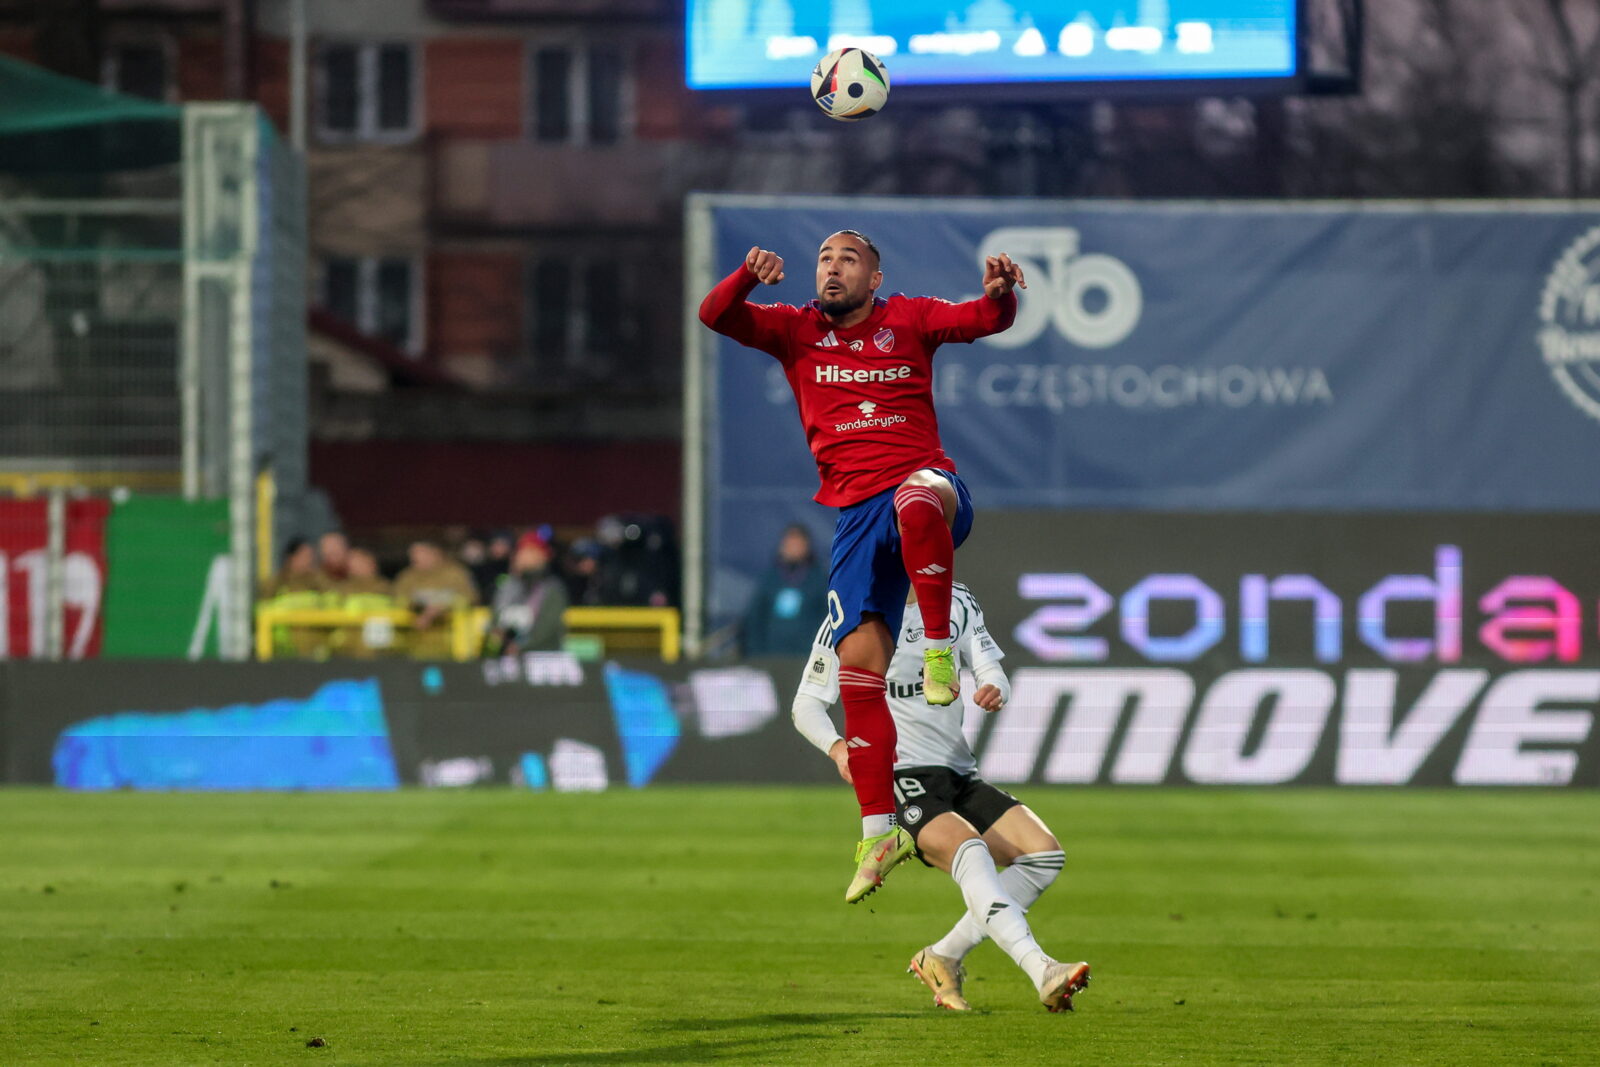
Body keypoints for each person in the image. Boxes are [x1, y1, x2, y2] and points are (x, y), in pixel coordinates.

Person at [699, 228, 1025, 901]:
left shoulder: (909, 317)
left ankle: (939, 647)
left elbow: (982, 318)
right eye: (825, 258)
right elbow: (715, 315)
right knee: (859, 665)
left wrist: (999, 296)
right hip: (853, 517)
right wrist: (745, 277)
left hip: (930, 491)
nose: (833, 267)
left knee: (915, 498)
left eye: (849, 259)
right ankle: (879, 830)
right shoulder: (794, 330)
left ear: (874, 278)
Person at [792, 582, 1090, 1012]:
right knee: (970, 850)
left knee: (1043, 855)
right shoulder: (853, 615)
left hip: (958, 771)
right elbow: (806, 704)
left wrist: (994, 686)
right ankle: (1041, 969)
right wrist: (839, 748)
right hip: (898, 775)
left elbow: (989, 665)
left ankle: (942, 956)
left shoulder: (957, 599)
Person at [742, 524, 830, 656]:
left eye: (798, 544)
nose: (793, 548)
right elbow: (755, 619)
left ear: (806, 546)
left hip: (807, 656)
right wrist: (756, 653)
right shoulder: (769, 579)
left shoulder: (820, 579)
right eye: (790, 544)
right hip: (771, 656)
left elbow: (826, 618)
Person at [487, 531, 570, 655]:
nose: (522, 556)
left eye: (529, 552)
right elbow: (496, 620)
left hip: (543, 658)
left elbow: (547, 629)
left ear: (542, 556)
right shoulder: (508, 587)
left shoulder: (551, 589)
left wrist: (521, 647)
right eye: (520, 551)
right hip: (507, 658)